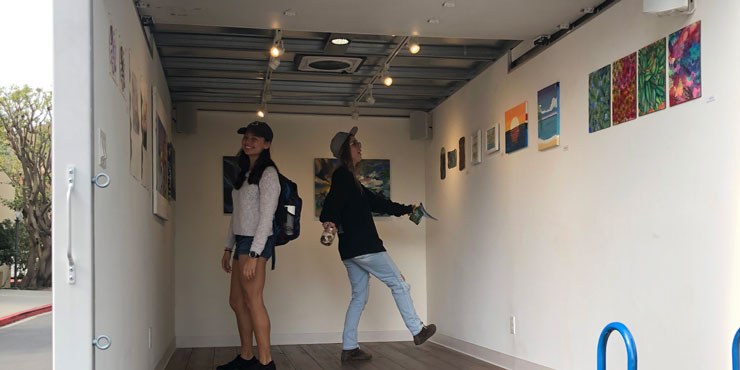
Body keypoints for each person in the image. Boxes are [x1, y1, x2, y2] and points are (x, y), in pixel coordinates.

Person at [320, 126, 436, 362]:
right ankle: (417, 330)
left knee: (359, 297)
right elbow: (332, 201)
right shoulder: (343, 176)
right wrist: (328, 219)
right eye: (354, 143)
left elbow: (380, 203)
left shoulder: (353, 183)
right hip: (365, 247)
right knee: (399, 284)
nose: (359, 145)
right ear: (344, 151)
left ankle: (349, 348)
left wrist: (408, 210)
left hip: (351, 251)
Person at [218, 121, 279, 370]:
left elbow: (267, 217)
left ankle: (266, 362)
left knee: (253, 300)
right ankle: (246, 357)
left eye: (255, 138)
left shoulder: (269, 174)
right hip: (241, 240)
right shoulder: (243, 174)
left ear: (266, 144)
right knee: (236, 301)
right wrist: (227, 246)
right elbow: (238, 215)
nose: (248, 141)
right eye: (246, 137)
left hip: (256, 241)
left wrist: (255, 252)